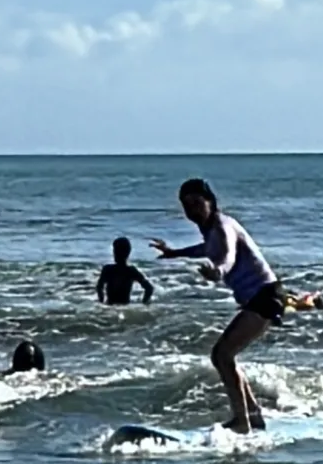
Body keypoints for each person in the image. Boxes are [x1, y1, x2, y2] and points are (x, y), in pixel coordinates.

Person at [151, 178, 283, 432]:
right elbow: (206, 248)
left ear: (211, 201)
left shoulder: (223, 225)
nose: (192, 210)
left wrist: (218, 272)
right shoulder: (211, 231)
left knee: (222, 355)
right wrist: (174, 253)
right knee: (225, 356)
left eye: (197, 203)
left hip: (266, 297)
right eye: (186, 205)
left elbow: (227, 256)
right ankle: (252, 414)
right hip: (259, 299)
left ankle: (242, 421)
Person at [96, 237, 154, 306]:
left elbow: (99, 287)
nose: (114, 253)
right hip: (125, 306)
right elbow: (149, 288)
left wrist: (101, 301)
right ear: (128, 253)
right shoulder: (131, 271)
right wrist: (144, 303)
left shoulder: (108, 269)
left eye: (115, 251)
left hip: (110, 306)